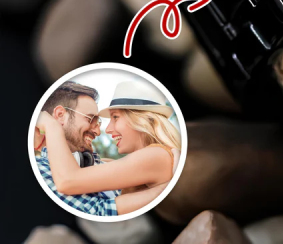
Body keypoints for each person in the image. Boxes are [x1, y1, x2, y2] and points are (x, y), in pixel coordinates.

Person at [35, 79, 179, 215]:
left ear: (141, 119)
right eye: (90, 119)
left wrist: (52, 126)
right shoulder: (45, 168)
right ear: (60, 115)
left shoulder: (155, 155)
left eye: (115, 117)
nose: (103, 130)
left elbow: (69, 181)